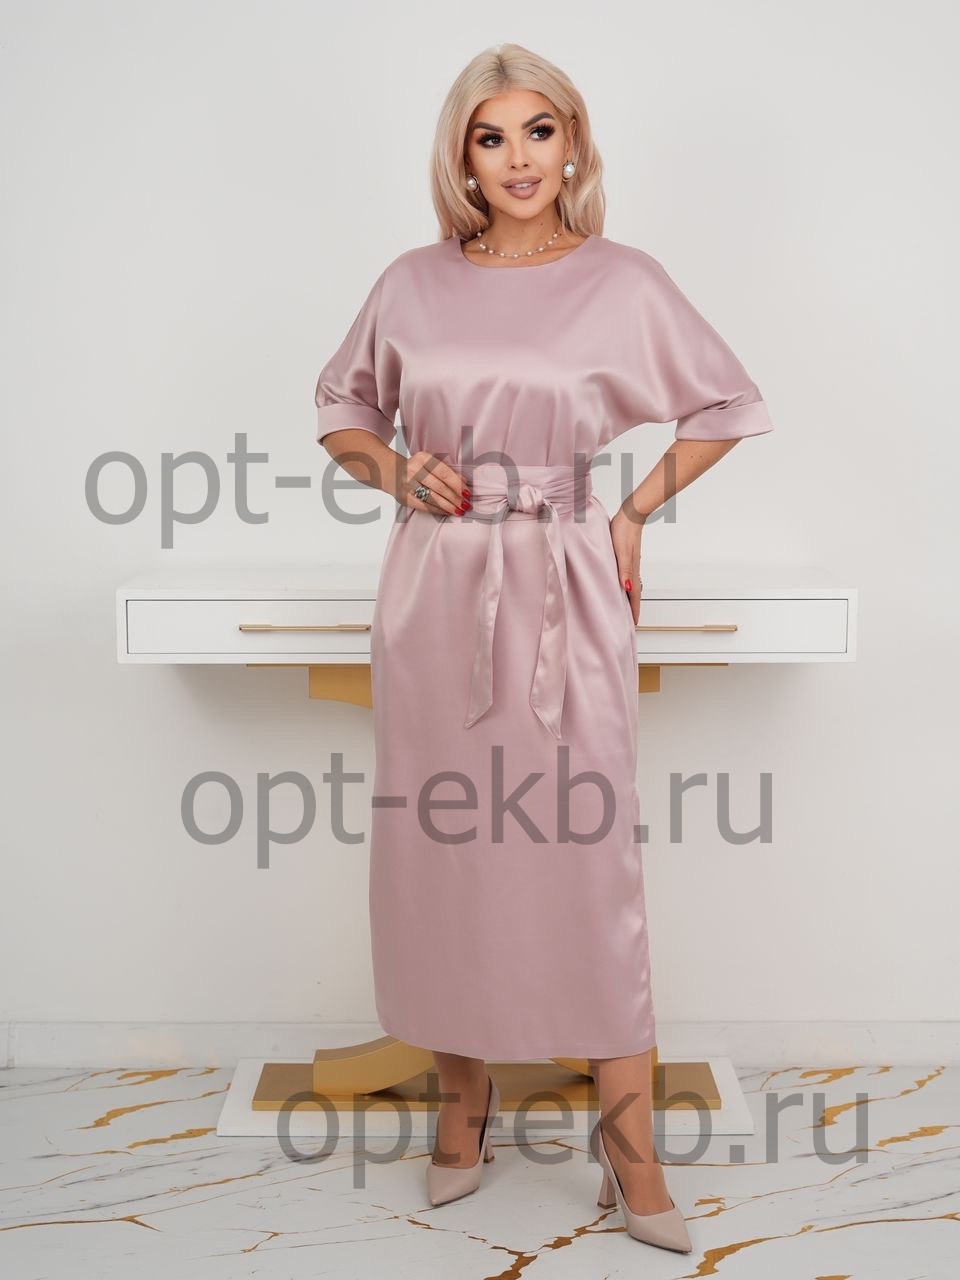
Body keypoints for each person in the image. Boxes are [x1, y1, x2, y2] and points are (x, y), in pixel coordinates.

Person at [314, 43, 773, 1254]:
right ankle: (460, 1108)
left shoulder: (623, 281)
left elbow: (726, 403)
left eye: (538, 131)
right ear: (461, 155)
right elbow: (343, 408)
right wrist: (397, 470)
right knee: (447, 848)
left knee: (584, 858)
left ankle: (632, 1150)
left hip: (566, 576)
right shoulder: (412, 282)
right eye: (490, 136)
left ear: (572, 143)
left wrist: (633, 511)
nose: (517, 158)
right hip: (437, 586)